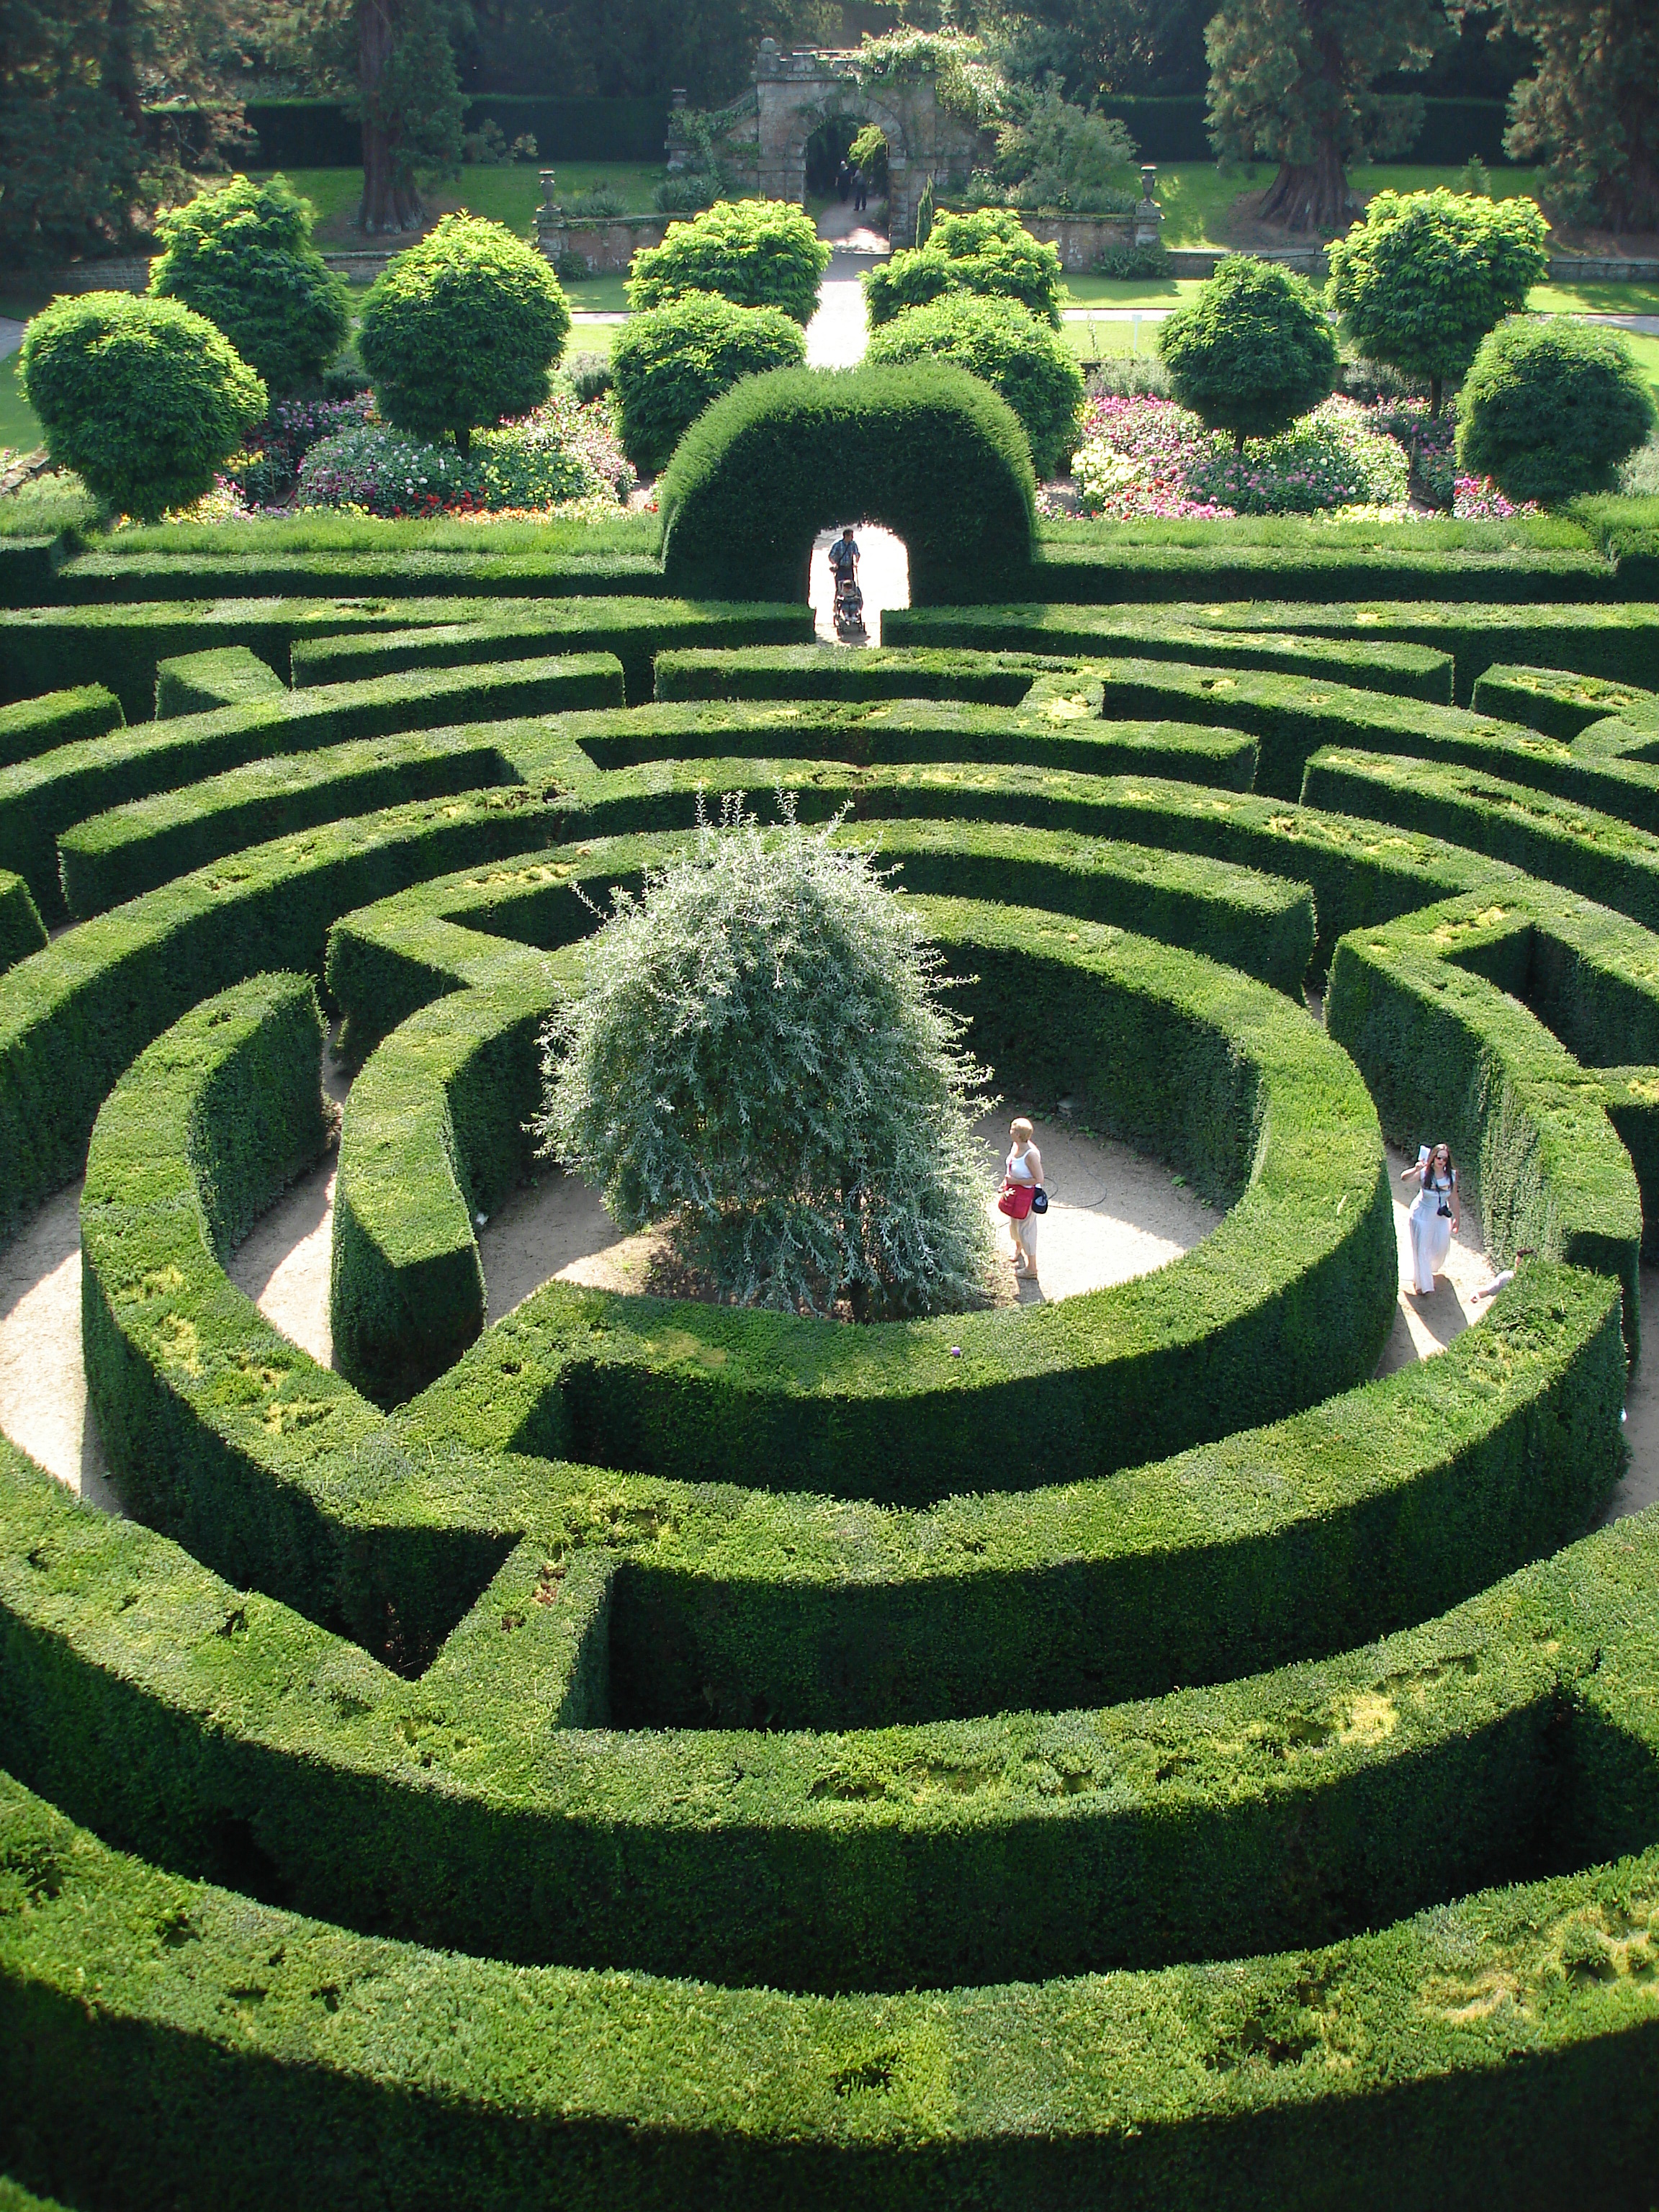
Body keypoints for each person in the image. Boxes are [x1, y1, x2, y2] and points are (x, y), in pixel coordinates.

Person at [1401, 1140, 1459, 1295]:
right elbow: (1404, 1179)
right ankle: (1424, 1285)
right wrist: (1416, 1169)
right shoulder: (1425, 1172)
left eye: (1444, 1159)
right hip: (1422, 1215)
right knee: (1422, 1248)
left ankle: (1424, 1272)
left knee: (1440, 1248)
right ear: (1433, 1157)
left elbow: (1454, 1197)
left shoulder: (1451, 1176)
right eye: (1439, 1158)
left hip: (1440, 1216)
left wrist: (1457, 1218)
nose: (1441, 1161)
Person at [1002, 1116, 1043, 1279]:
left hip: (1027, 1196)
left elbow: (1039, 1179)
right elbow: (1011, 1166)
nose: (1010, 1130)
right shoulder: (1015, 1146)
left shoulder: (1031, 1154)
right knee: (1014, 1224)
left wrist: (1016, 1182)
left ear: (1018, 1134)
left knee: (1027, 1229)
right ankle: (1018, 1248)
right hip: (1014, 1192)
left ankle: (1032, 1268)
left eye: (1013, 1129)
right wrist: (1004, 1183)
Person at [827, 525, 860, 598]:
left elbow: (857, 554)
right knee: (840, 587)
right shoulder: (837, 544)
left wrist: (856, 562)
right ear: (846, 536)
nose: (852, 538)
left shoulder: (853, 544)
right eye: (851, 536)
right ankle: (838, 601)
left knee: (850, 586)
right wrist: (834, 564)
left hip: (849, 568)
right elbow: (831, 556)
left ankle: (849, 602)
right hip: (840, 568)